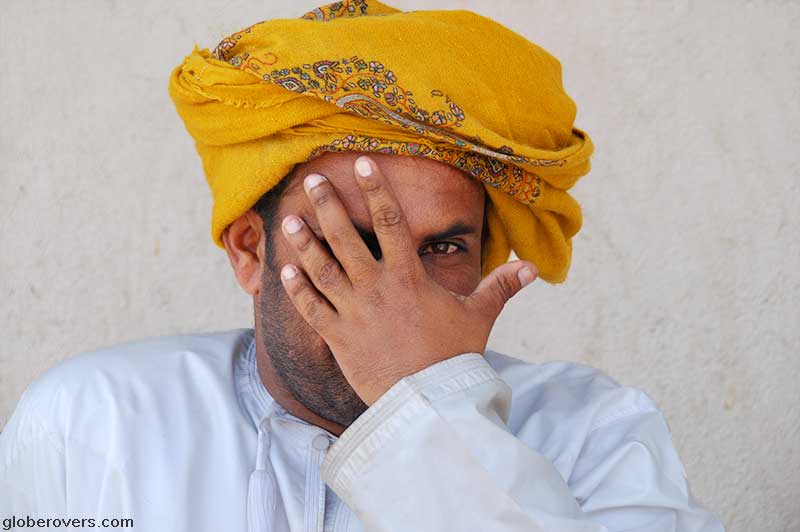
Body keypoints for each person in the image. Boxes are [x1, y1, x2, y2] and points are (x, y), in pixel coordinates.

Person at [0, 1, 726, 531]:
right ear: (252, 251)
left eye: (441, 249)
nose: (395, 294)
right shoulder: (91, 422)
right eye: (349, 244)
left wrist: (431, 407)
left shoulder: (594, 431)